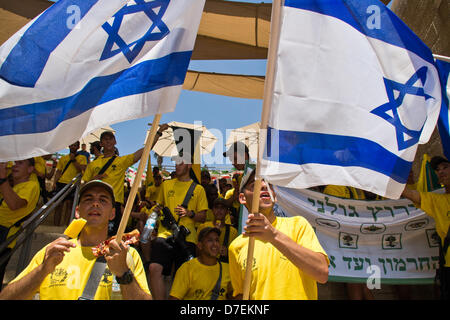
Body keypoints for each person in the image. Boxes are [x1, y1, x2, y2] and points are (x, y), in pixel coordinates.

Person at [0, 180, 151, 300]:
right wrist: (43, 270)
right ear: (77, 211)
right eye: (88, 199)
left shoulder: (127, 255)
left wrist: (123, 274)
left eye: (103, 200)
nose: (95, 203)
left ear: (112, 214)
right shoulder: (52, 252)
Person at [228, 168, 329, 300]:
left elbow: (321, 273)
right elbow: (240, 294)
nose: (264, 186)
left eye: (269, 185)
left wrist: (273, 235)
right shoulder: (236, 246)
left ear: (274, 195)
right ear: (242, 198)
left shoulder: (298, 225)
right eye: (255, 185)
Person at [148, 153, 209, 300]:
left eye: (180, 162)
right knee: (154, 268)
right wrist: (154, 212)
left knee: (184, 277)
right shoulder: (166, 184)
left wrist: (190, 213)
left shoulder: (198, 189)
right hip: (165, 234)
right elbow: (159, 205)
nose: (176, 165)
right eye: (175, 162)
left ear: (188, 165)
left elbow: (203, 216)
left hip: (187, 237)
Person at [401, 156, 450, 300]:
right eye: (437, 169)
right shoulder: (437, 201)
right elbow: (409, 194)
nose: (441, 172)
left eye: (445, 167)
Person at [82, 131, 143, 235]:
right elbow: (83, 186)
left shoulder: (121, 161)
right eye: (105, 139)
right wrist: (94, 179)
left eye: (110, 139)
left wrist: (158, 133)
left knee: (111, 236)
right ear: (101, 143)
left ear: (115, 141)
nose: (108, 141)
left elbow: (143, 151)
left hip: (114, 204)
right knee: (93, 233)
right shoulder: (93, 164)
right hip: (96, 203)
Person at [322, 184, 373, 300]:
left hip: (360, 242)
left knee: (365, 285)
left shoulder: (358, 189)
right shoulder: (333, 188)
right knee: (355, 280)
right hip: (343, 242)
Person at [0, 159, 41, 289]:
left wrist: (2, 178)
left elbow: (14, 204)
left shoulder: (32, 185)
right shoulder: (12, 185)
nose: (15, 165)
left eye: (20, 163)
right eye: (15, 162)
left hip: (5, 235)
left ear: (30, 169)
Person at [169, 227, 232, 300]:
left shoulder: (227, 269)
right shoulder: (187, 268)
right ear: (200, 245)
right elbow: (174, 297)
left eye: (217, 240)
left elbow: (234, 295)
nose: (215, 244)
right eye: (210, 240)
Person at [53, 141, 87, 226]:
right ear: (69, 146)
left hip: (73, 184)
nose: (73, 147)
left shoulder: (82, 158)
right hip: (61, 183)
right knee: (58, 205)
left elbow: (82, 170)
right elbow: (58, 171)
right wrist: (54, 182)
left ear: (78, 147)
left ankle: (65, 226)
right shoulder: (63, 158)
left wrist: (73, 160)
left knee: (69, 206)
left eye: (75, 145)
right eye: (71, 145)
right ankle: (56, 225)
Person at [198, 198, 238, 263]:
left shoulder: (233, 231)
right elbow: (198, 250)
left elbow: (236, 254)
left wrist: (228, 252)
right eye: (216, 208)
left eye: (222, 208)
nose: (219, 211)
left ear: (227, 211)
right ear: (212, 210)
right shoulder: (203, 226)